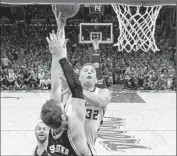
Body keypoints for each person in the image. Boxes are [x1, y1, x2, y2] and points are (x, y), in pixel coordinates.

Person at [49, 12, 111, 155]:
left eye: (92, 71)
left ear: (96, 79)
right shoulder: (69, 90)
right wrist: (61, 28)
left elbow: (100, 101)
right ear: (78, 77)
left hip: (86, 149)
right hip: (64, 146)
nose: (89, 71)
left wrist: (75, 88)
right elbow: (60, 62)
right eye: (85, 70)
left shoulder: (103, 93)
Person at [40, 12, 93, 156]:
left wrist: (60, 30)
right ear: (63, 116)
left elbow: (55, 80)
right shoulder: (74, 130)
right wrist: (61, 57)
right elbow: (77, 88)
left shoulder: (50, 134)